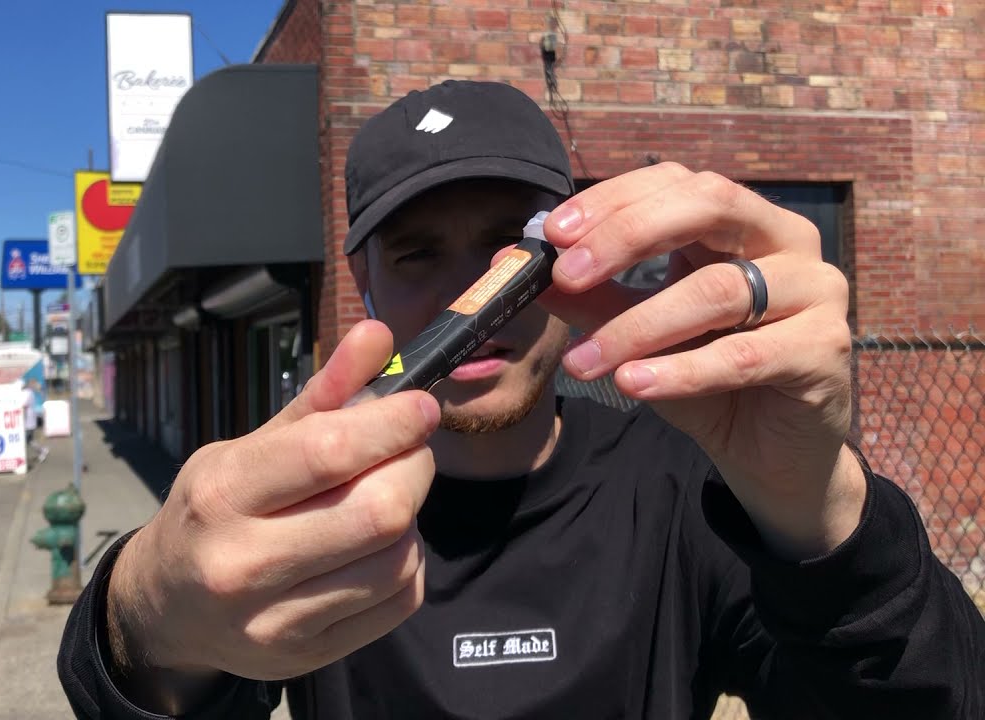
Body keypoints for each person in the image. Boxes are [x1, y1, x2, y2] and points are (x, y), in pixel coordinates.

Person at [58, 81, 984, 718]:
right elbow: (153, 689)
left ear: (578, 263)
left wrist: (823, 509)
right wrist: (145, 610)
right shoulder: (313, 504)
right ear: (364, 285)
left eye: (512, 252)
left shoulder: (684, 489)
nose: (471, 299)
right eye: (418, 252)